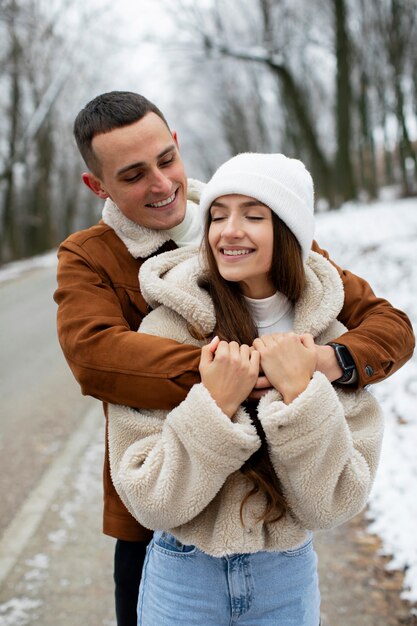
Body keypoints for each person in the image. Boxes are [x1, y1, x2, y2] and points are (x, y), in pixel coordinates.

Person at [53, 91, 415, 626]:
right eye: (132, 175)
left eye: (166, 159)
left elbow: (387, 326)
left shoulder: (257, 216)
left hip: (279, 532)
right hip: (165, 518)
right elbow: (94, 357)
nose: (161, 183)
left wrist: (322, 361)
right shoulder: (90, 256)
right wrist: (228, 376)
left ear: (177, 145)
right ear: (98, 185)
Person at [108, 152, 385, 625]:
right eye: (217, 215)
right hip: (183, 576)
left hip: (286, 576)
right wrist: (214, 407)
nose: (228, 230)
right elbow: (149, 497)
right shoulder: (164, 330)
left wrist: (302, 397)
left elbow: (336, 501)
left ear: (289, 231)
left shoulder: (326, 337)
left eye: (253, 216)